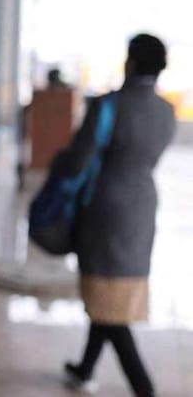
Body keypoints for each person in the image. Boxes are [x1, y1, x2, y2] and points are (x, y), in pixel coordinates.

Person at [60, 34, 175, 396]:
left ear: (131, 63)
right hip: (142, 207)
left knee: (105, 297)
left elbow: (78, 160)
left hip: (104, 207)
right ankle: (85, 369)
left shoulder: (109, 105)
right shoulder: (166, 111)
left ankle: (143, 386)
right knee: (112, 291)